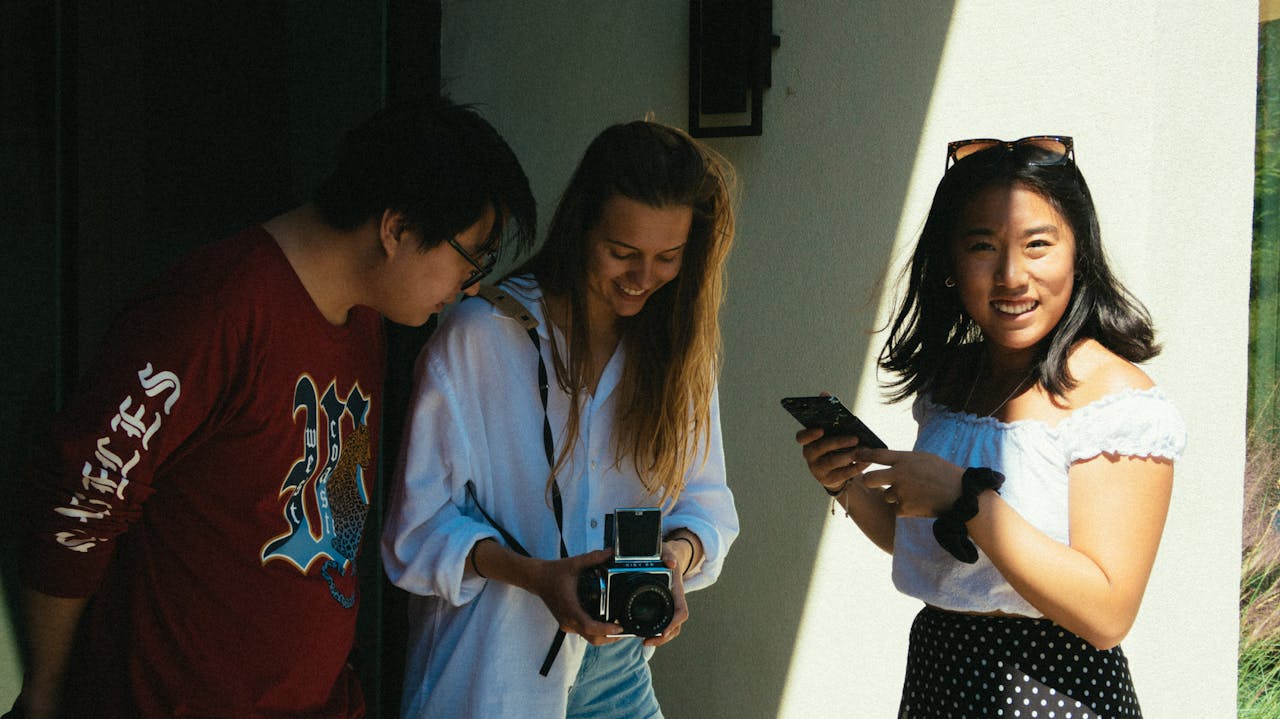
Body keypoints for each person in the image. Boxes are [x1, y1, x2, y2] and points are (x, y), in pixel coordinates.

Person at [11, 98, 535, 719]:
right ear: (395, 229)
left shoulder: (366, 319)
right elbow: (79, 500)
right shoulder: (216, 310)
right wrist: (45, 688)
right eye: (471, 258)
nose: (470, 285)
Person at [796, 136, 1186, 717]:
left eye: (1038, 245)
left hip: (1058, 689)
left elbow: (1107, 614)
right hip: (938, 673)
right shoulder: (949, 381)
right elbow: (938, 555)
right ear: (950, 263)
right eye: (983, 246)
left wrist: (964, 499)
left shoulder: (1118, 402)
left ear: (1079, 255)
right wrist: (846, 484)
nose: (1011, 275)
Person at [381, 120, 739, 718]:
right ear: (579, 229)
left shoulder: (677, 353)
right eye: (621, 253)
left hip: (619, 675)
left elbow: (707, 507)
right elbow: (415, 535)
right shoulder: (481, 338)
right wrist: (536, 577)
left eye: (668, 257)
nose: (642, 278)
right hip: (494, 675)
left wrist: (673, 563)